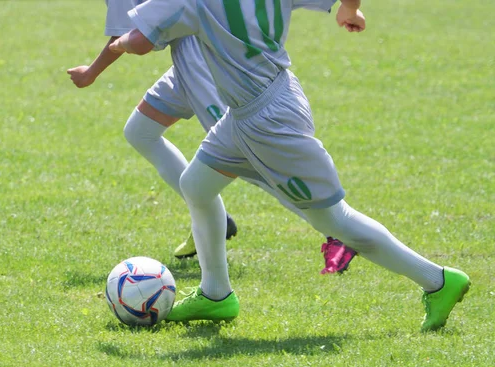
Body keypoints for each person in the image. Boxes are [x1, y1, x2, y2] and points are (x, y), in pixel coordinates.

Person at [109, 0, 471, 331]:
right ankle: (216, 294)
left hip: (268, 122)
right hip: (260, 103)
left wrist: (120, 43)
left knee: (333, 219)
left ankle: (437, 281)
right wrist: (350, 9)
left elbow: (141, 41)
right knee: (196, 186)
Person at [67, 0, 357, 273]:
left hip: (209, 63)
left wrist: (90, 73)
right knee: (140, 131)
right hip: (190, 55)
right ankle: (213, 218)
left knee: (251, 159)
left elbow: (127, 36)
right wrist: (350, 9)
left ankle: (337, 232)